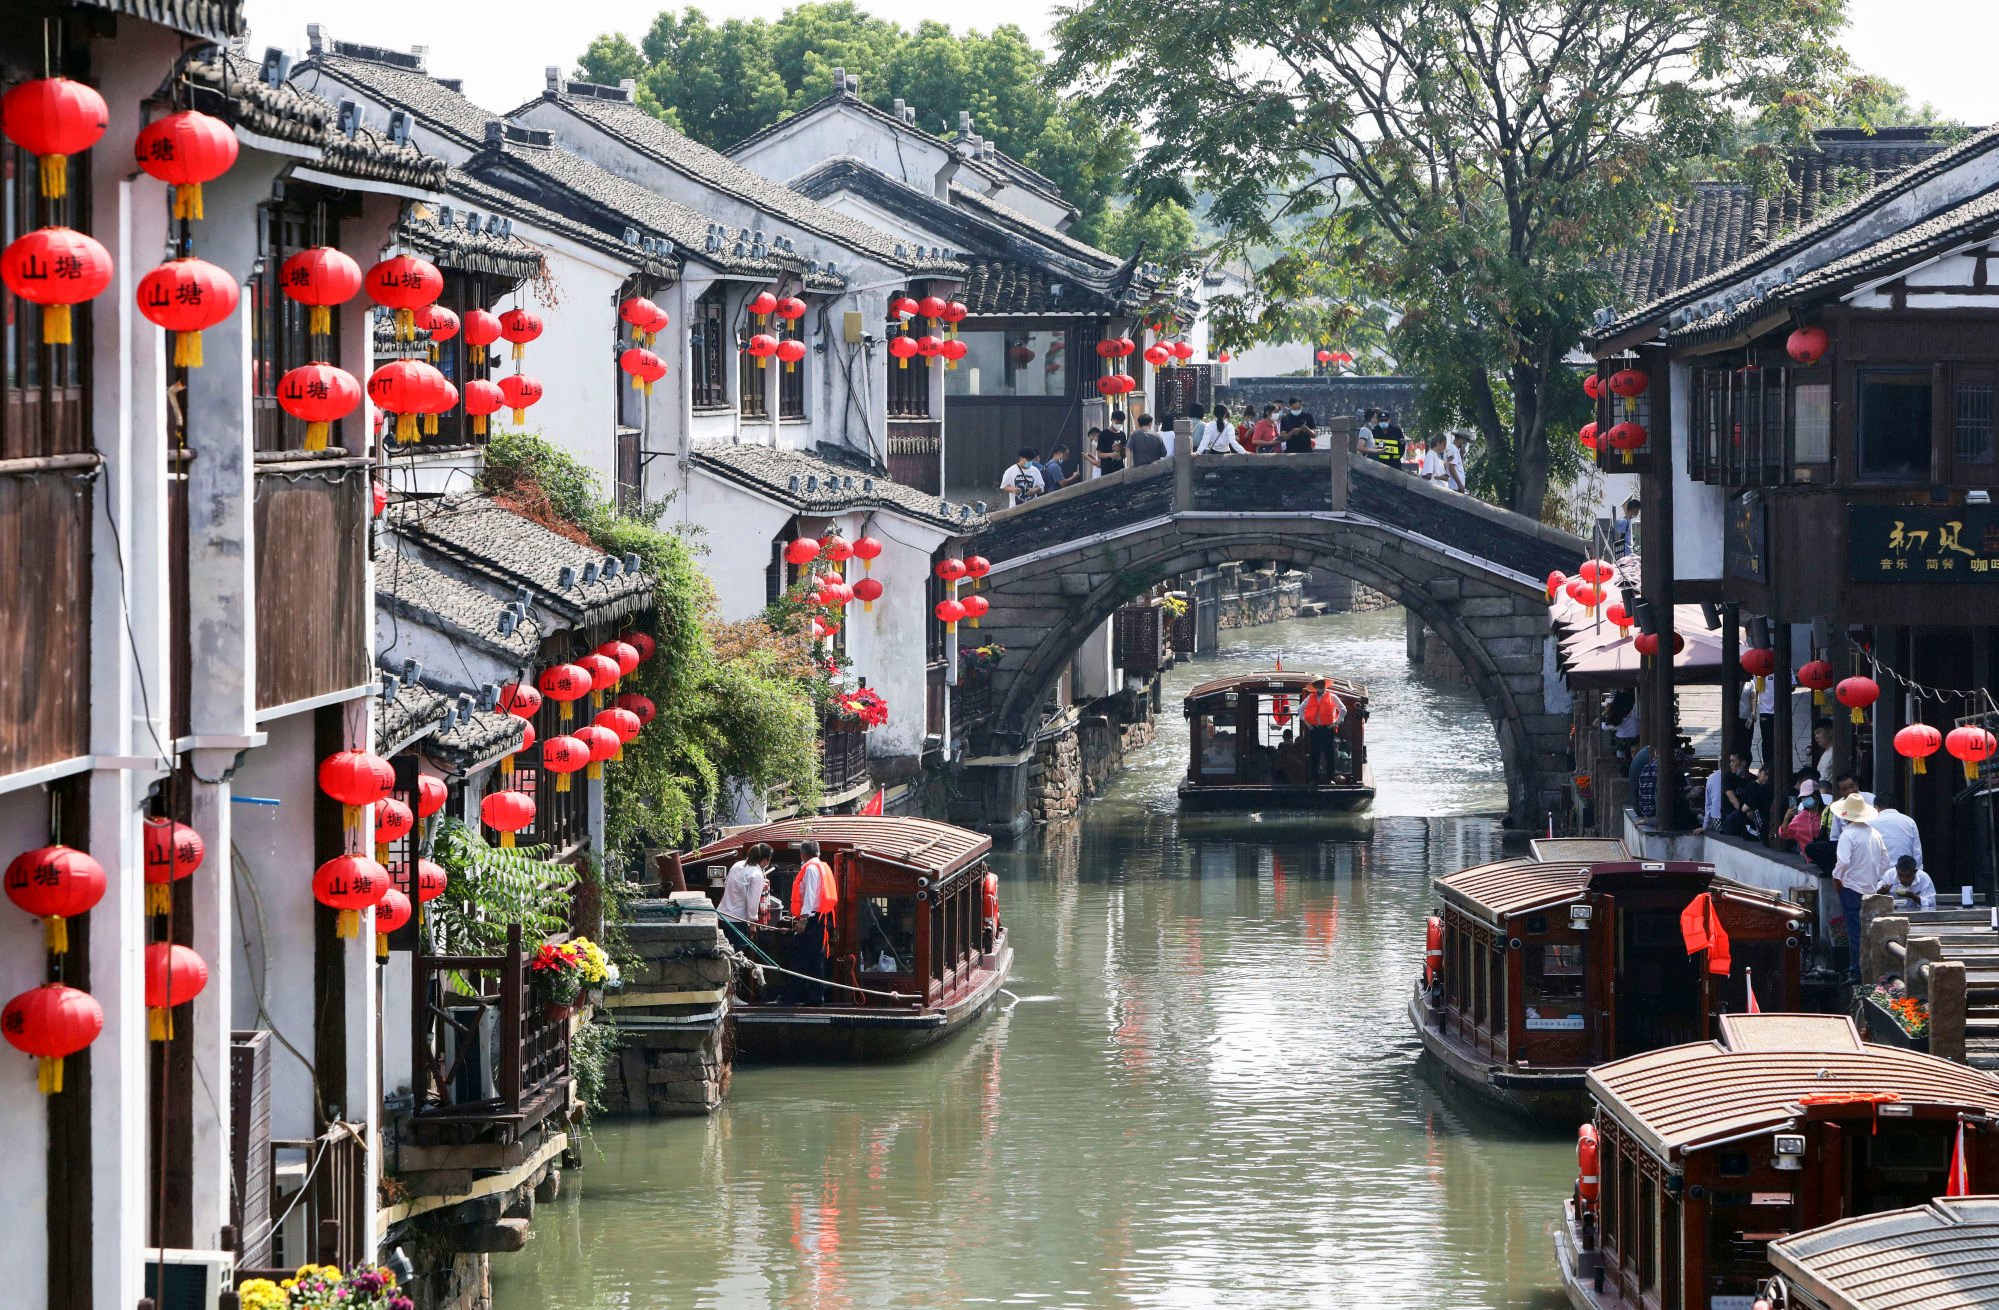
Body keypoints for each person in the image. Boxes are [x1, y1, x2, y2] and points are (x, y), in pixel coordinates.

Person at [1828, 794, 1890, 981]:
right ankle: (1864, 969)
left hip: (1851, 887)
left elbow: (1843, 861)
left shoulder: (1848, 834)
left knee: (1855, 932)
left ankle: (1857, 971)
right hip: (1870, 888)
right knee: (1868, 931)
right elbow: (1885, 861)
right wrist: (1875, 877)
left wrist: (1837, 878)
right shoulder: (1874, 833)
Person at [785, 840, 839, 1004]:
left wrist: (803, 919)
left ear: (803, 854)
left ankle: (790, 998)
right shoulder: (823, 867)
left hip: (812, 919)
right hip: (820, 918)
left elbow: (809, 895)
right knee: (816, 960)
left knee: (801, 958)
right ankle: (816, 998)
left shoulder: (810, 868)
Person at [717, 842, 774, 930]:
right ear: (766, 860)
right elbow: (753, 901)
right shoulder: (757, 874)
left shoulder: (737, 865)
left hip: (722, 915)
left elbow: (726, 884)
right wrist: (752, 923)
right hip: (738, 919)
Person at [1301, 678, 1345, 782]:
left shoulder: (1332, 696)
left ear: (1324, 685)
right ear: (1315, 687)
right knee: (1314, 754)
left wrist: (1336, 723)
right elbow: (1300, 709)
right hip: (1315, 729)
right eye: (1318, 685)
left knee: (1329, 754)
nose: (1320, 686)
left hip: (1327, 729)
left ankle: (1330, 778)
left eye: (1321, 684)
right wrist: (1307, 724)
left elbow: (1343, 709)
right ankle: (1314, 779)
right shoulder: (1310, 698)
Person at [1096, 410, 1128, 475]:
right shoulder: (1103, 434)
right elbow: (1099, 454)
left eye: (1121, 423)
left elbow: (1124, 454)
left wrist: (1122, 451)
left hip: (1120, 469)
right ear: (1112, 420)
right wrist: (1110, 455)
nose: (1119, 425)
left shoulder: (1122, 435)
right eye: (1117, 422)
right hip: (1107, 470)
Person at [1812, 717, 1836, 783]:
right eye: (1815, 734)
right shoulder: (1827, 752)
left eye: (1818, 732)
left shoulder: (1835, 752)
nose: (1816, 737)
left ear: (1830, 732)